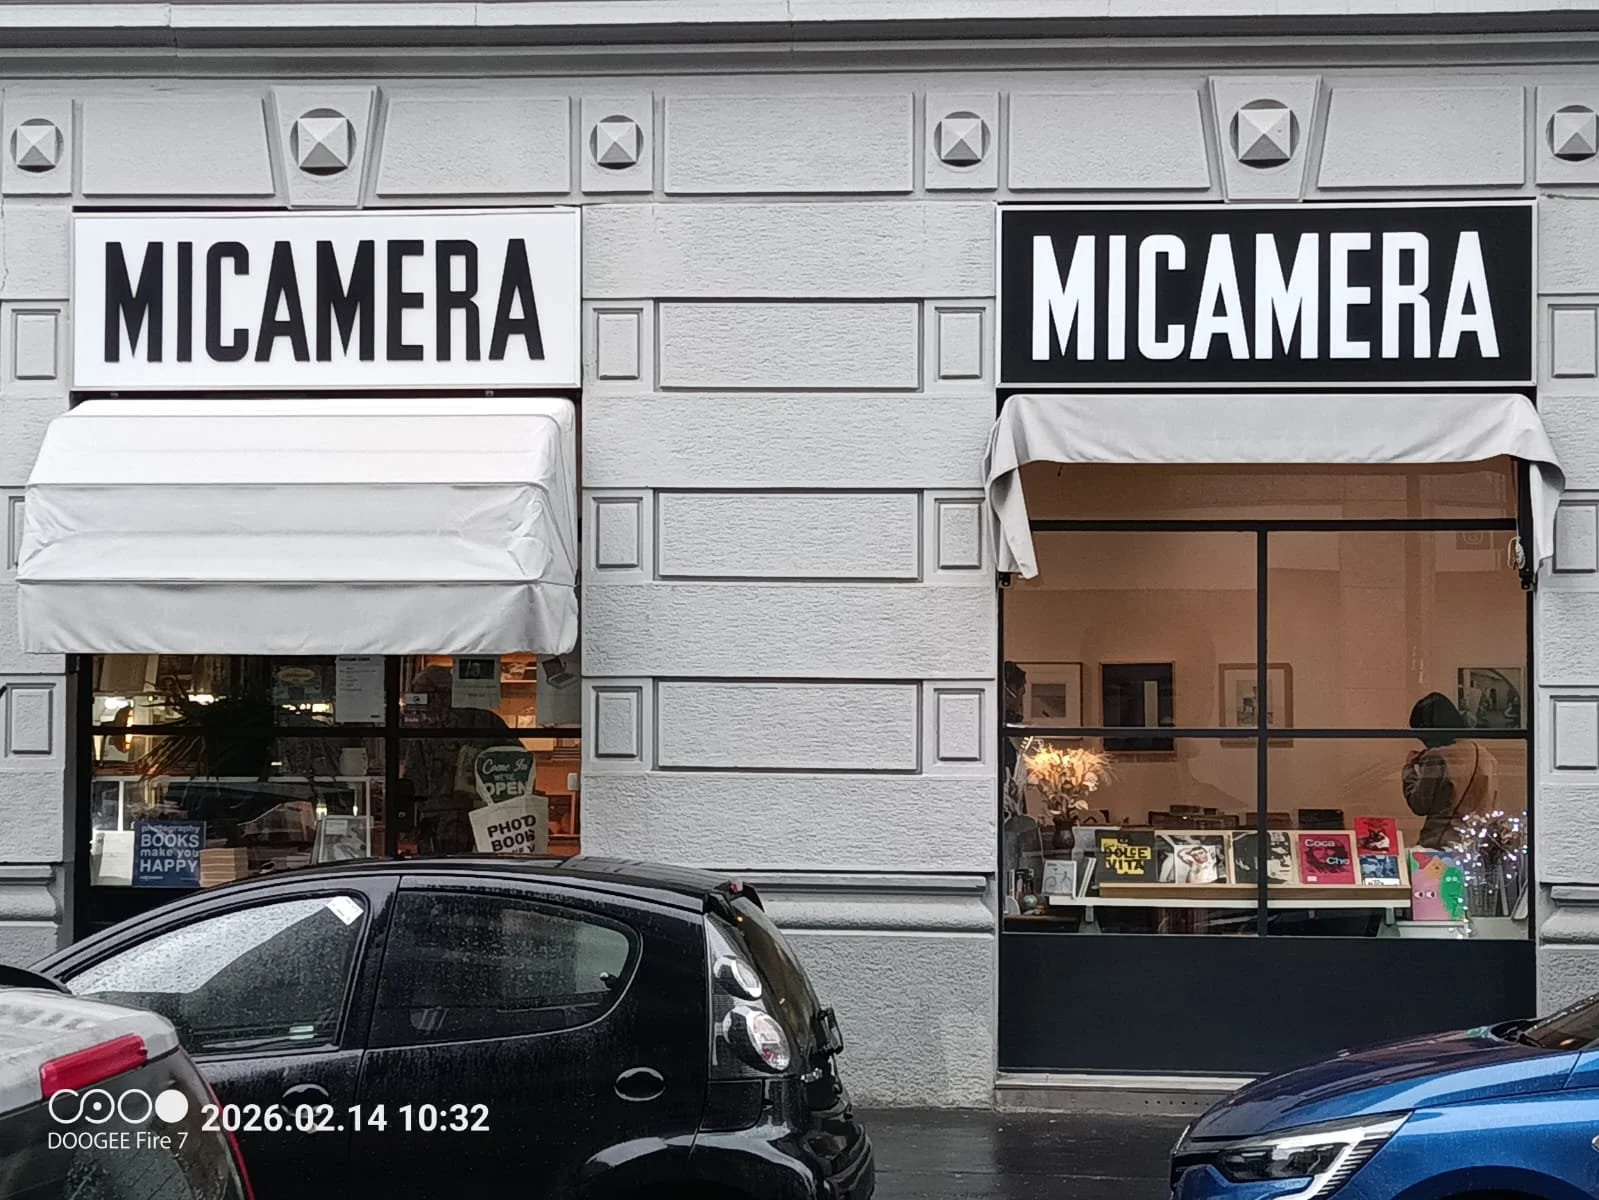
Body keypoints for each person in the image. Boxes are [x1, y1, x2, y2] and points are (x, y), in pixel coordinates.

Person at [1403, 692, 1498, 848]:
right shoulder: (1486, 756)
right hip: (1476, 841)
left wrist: (1409, 769)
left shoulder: (1438, 756)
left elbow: (1419, 804)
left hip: (1441, 841)